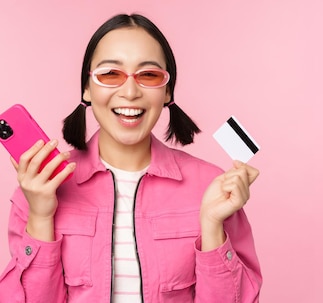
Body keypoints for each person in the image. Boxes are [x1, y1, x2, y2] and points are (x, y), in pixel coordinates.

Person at [0, 13, 262, 302]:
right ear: (86, 88)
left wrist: (212, 226)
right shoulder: (39, 188)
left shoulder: (214, 188)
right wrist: (40, 217)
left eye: (148, 75)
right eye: (110, 74)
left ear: (167, 91)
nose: (129, 92)